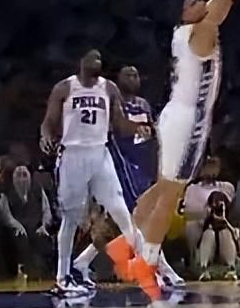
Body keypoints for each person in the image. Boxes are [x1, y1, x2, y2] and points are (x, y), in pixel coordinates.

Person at [130, 0, 240, 295]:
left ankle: (126, 246)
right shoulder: (196, 33)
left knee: (160, 190)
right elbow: (223, 3)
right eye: (192, 2)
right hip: (187, 120)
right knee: (171, 195)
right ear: (183, 15)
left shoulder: (184, 36)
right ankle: (147, 265)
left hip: (176, 115)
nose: (200, 1)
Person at [40, 49, 150, 297]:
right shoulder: (65, 88)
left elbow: (119, 123)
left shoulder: (109, 88)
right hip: (73, 155)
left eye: (100, 58)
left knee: (121, 210)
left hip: (100, 153)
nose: (97, 61)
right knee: (71, 218)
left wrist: (138, 128)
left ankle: (148, 267)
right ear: (81, 61)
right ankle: (62, 278)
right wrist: (45, 136)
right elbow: (49, 122)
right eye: (92, 57)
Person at [70, 66, 185, 289]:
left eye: (136, 75)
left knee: (121, 222)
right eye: (128, 75)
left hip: (143, 168)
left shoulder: (144, 105)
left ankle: (82, 262)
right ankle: (160, 269)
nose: (133, 78)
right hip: (121, 165)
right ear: (118, 80)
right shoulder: (112, 103)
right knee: (138, 219)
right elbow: (116, 131)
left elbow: (152, 135)